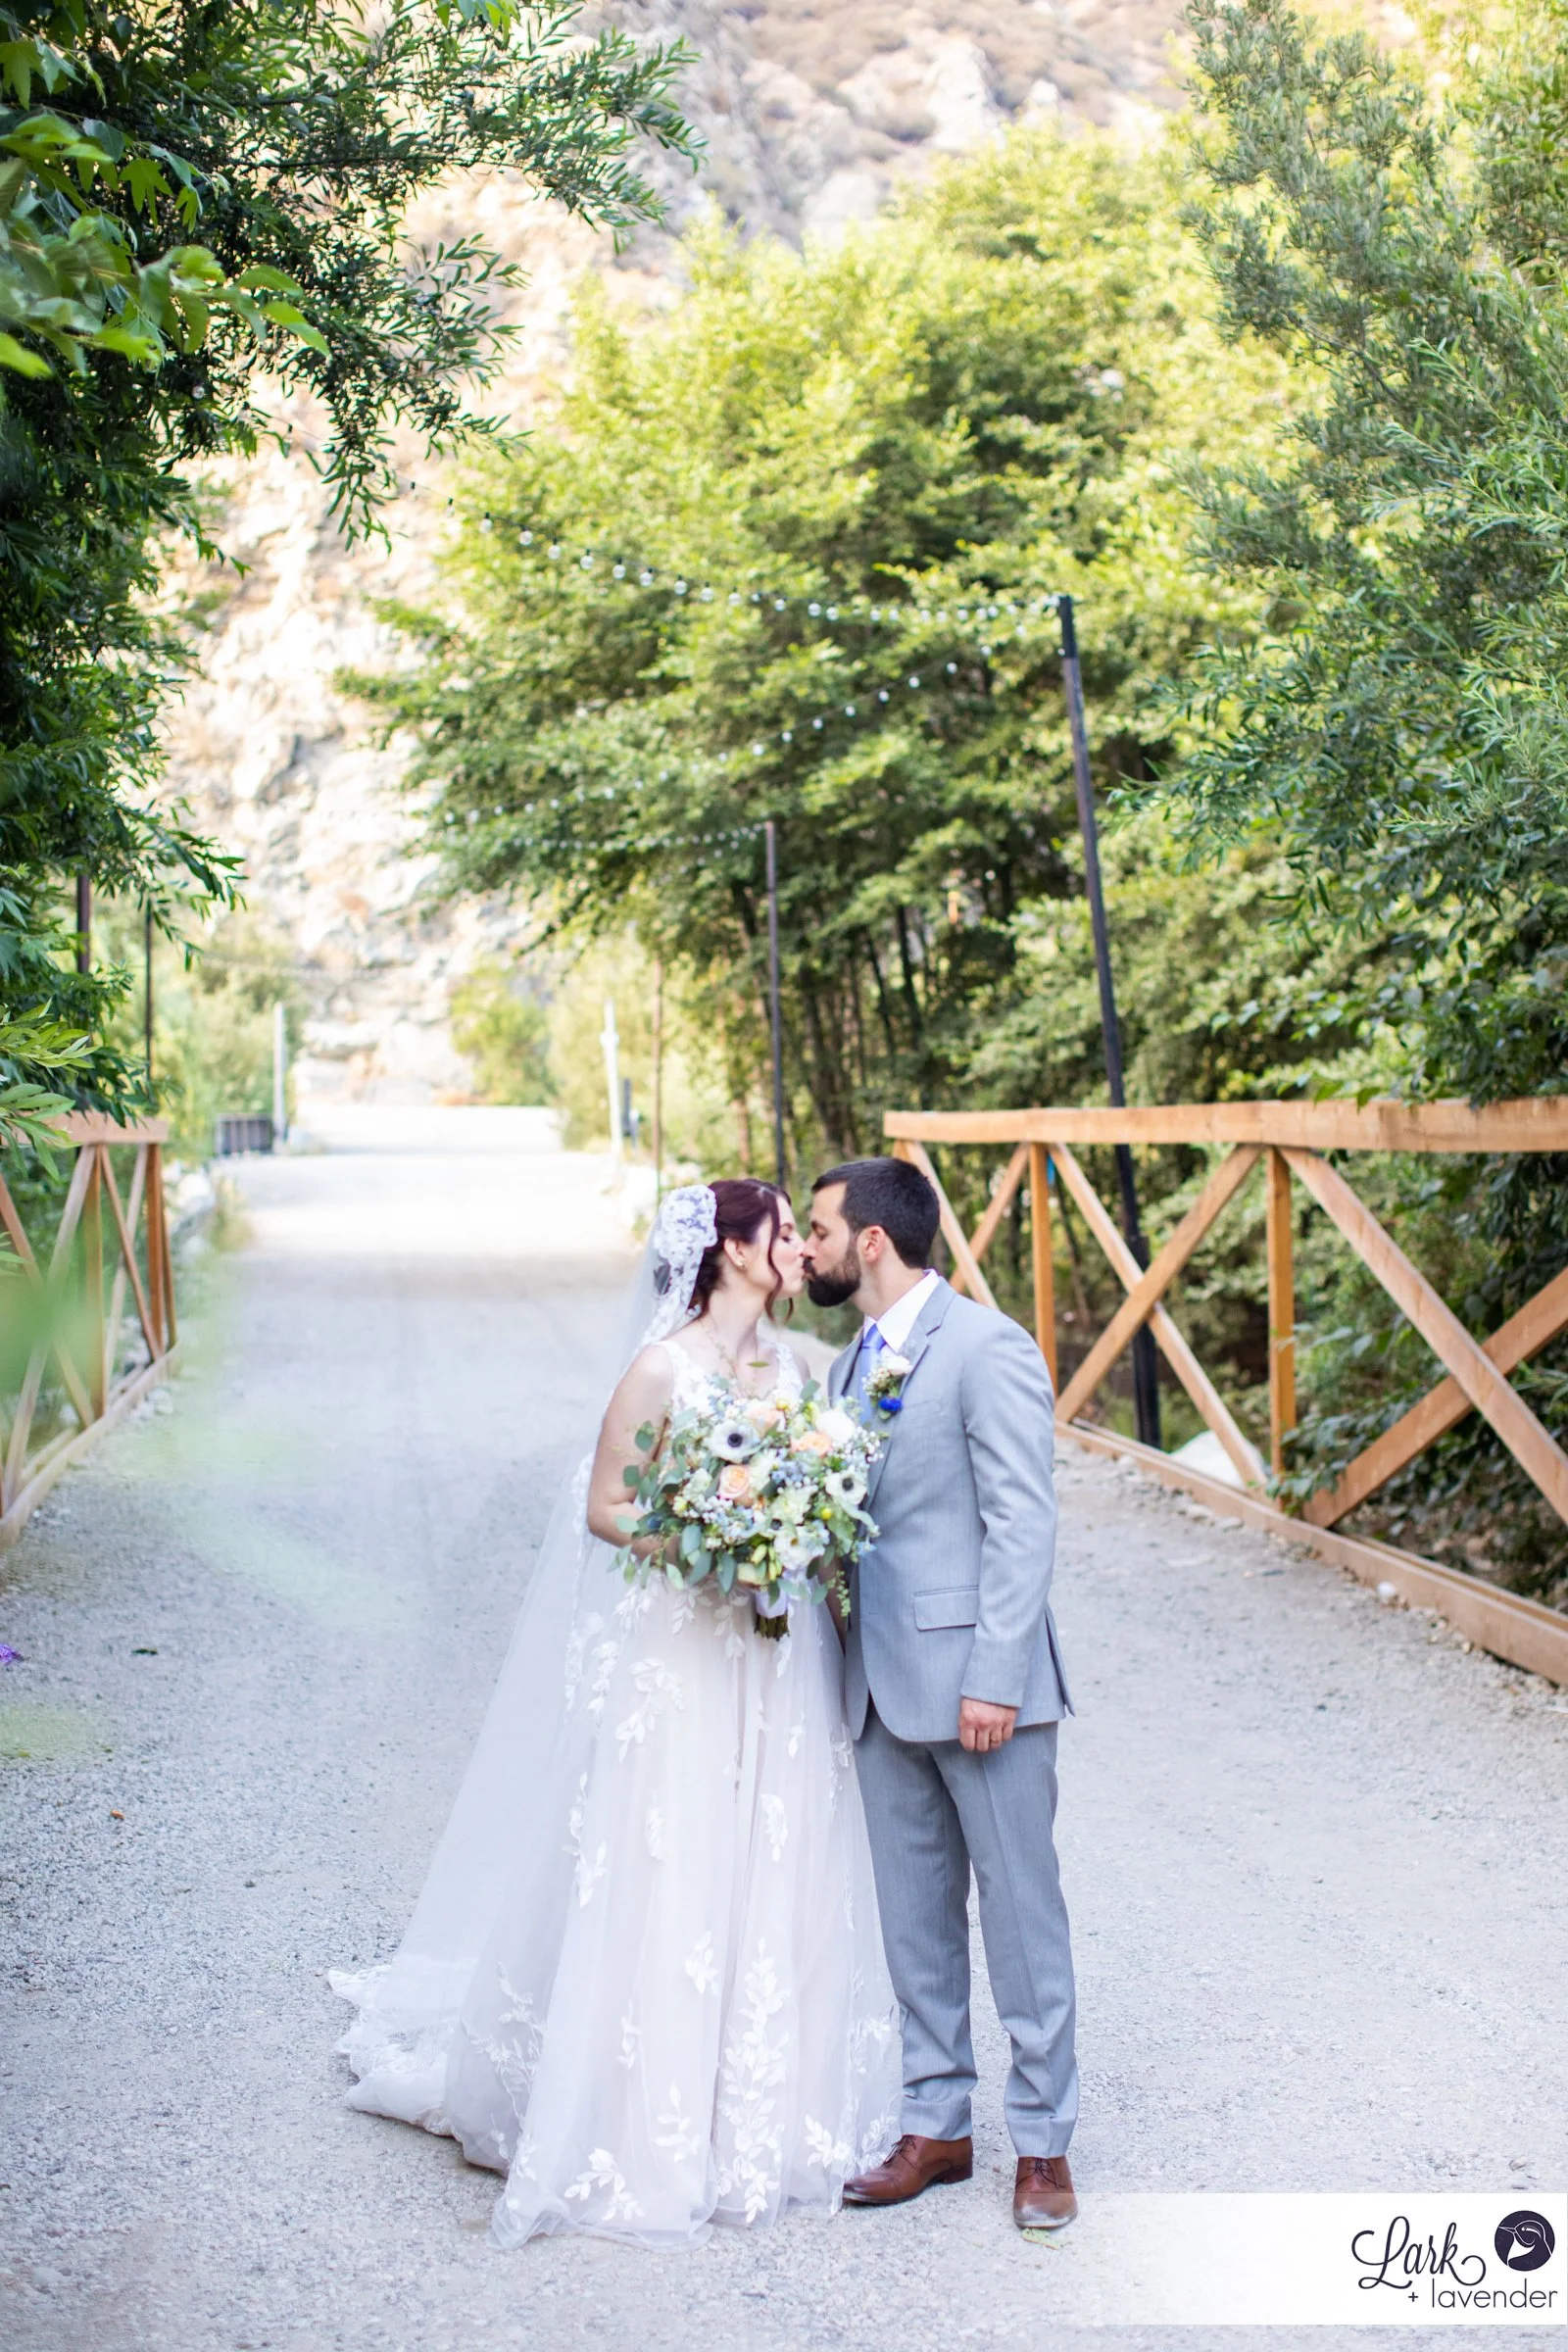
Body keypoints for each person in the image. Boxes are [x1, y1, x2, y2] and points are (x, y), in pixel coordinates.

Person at [332, 1179, 899, 2247]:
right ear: (732, 1251)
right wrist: (709, 1551)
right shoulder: (661, 1368)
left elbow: (823, 1494)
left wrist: (790, 1535)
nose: (797, 1249)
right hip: (683, 1647)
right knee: (671, 1859)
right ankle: (645, 2126)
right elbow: (604, 1507)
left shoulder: (797, 1367)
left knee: (772, 1852)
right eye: (782, 1232)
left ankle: (765, 2118)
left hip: (777, 1662)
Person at [804, 1155, 1079, 2232]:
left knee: (1020, 1918)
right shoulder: (841, 1372)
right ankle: (937, 2125)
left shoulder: (985, 1348)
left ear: (872, 1239)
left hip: (982, 1691)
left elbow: (1022, 1520)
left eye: (821, 1228)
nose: (810, 1248)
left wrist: (997, 1676)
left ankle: (1044, 2145)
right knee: (913, 1923)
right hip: (876, 1688)